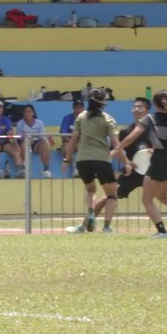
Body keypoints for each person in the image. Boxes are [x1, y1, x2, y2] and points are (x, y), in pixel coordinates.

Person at [119, 91, 167, 237]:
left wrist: (117, 148)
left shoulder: (150, 118)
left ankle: (162, 231)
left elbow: (131, 137)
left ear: (154, 104)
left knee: (147, 199)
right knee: (162, 195)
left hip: (159, 158)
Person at [63, 92, 123, 233]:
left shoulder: (81, 117)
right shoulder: (108, 119)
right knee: (112, 195)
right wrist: (126, 162)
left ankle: (91, 213)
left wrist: (66, 160)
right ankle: (107, 226)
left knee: (90, 190)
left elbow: (72, 141)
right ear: (103, 102)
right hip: (101, 159)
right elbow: (116, 144)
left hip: (83, 159)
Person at [14, 103, 54, 178]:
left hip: (37, 143)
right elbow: (19, 138)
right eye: (25, 112)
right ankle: (25, 168)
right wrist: (27, 139)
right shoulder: (20, 123)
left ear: (33, 113)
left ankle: (46, 170)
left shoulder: (39, 123)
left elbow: (42, 135)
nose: (27, 113)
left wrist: (42, 140)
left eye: (29, 111)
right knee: (24, 143)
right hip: (25, 142)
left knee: (44, 145)